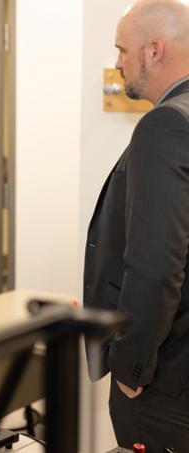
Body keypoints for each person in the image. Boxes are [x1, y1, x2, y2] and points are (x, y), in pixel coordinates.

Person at [84, 1, 189, 450]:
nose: (117, 63)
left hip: (166, 382)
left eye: (122, 50)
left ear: (153, 50)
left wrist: (130, 369)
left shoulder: (165, 125)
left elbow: (155, 266)